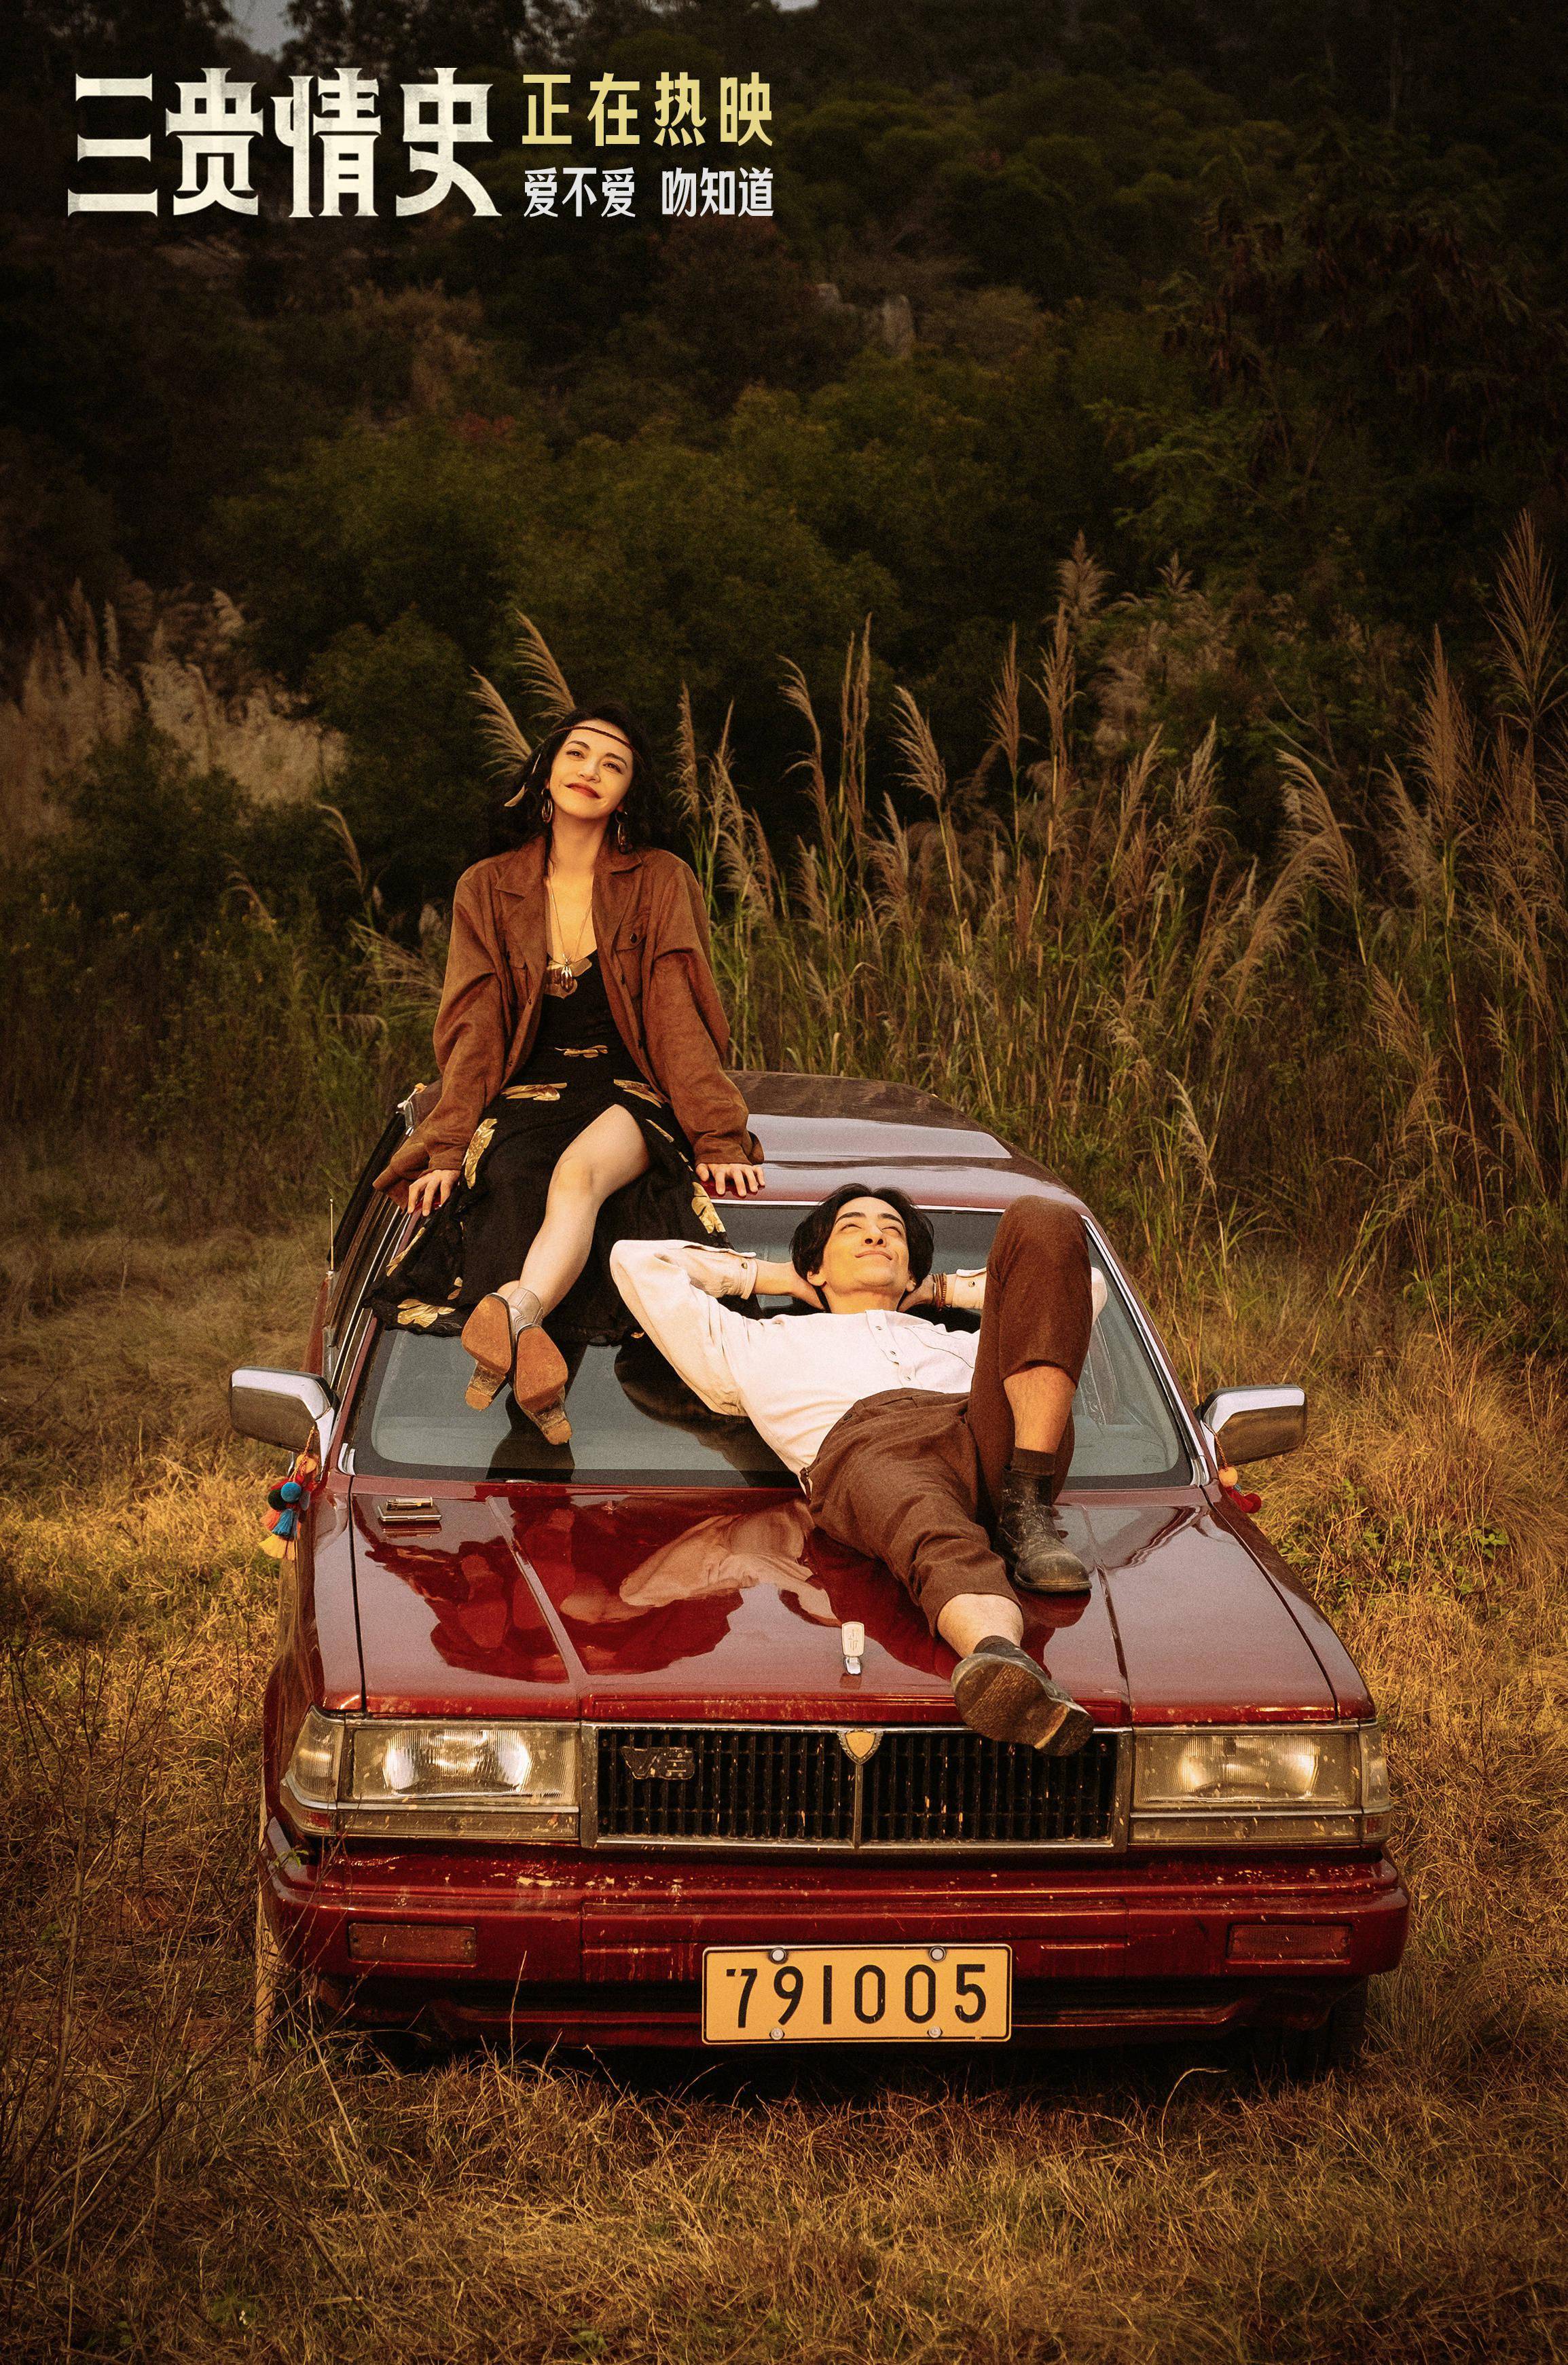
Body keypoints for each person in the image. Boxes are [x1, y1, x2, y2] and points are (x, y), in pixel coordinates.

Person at [369, 701, 763, 1442]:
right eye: (577, 754)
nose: (591, 771)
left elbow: (676, 1013)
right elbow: (475, 1027)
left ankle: (513, 1314)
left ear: (628, 794)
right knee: (514, 1181)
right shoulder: (486, 886)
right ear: (545, 770)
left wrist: (716, 1135)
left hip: (627, 1086)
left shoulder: (660, 879)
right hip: (528, 1089)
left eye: (613, 765)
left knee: (578, 1175)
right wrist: (447, 1147)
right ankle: (535, 1381)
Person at [609, 1185, 1106, 1753]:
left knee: (1043, 1217)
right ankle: (1002, 1659)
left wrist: (939, 1289)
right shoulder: (751, 1342)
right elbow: (637, 1261)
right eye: (852, 1227)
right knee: (914, 1503)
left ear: (912, 1269)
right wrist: (777, 1277)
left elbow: (1079, 1285)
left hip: (995, 1440)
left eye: (892, 1231)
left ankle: (1028, 1506)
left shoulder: (964, 1343)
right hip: (868, 1450)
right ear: (815, 1267)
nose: (875, 1234)